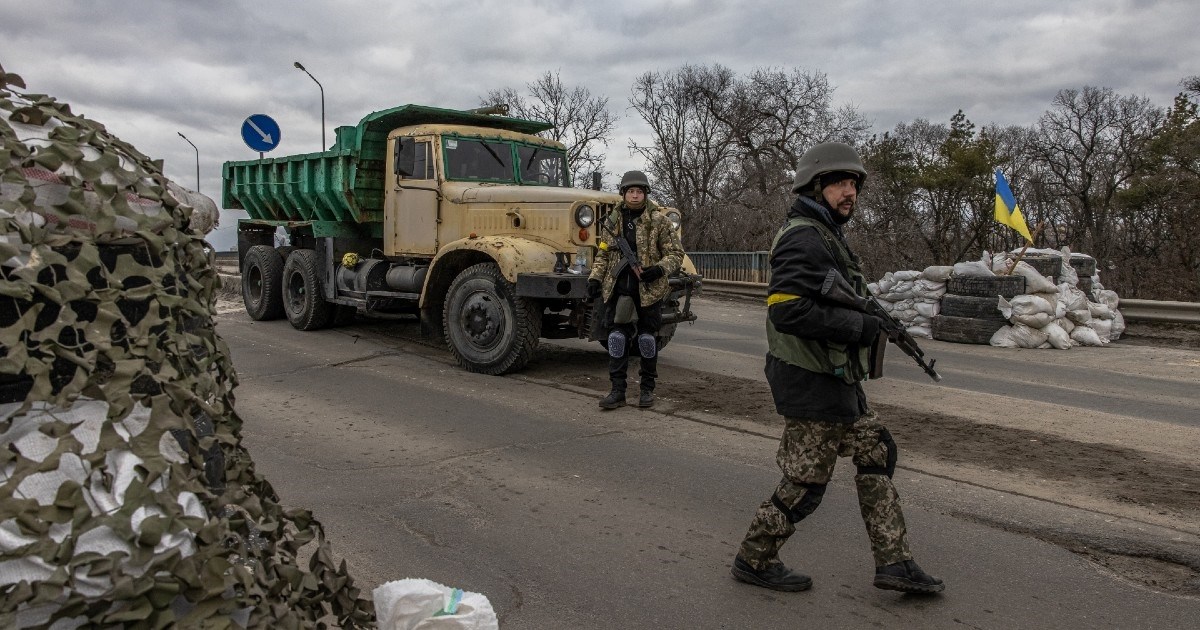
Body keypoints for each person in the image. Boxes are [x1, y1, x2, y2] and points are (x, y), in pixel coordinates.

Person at [730, 143, 945, 595]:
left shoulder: (826, 233)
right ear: (815, 185)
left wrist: (870, 321)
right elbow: (786, 311)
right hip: (809, 377)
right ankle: (754, 557)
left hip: (834, 375)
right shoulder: (803, 237)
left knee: (876, 450)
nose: (850, 193)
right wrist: (860, 327)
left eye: (854, 185)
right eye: (841, 184)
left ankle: (895, 562)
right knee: (805, 483)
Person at [587, 170, 684, 410]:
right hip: (620, 288)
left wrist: (659, 270)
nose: (634, 195)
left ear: (645, 193)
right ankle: (617, 390)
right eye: (630, 191)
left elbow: (676, 254)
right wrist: (595, 278)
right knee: (617, 338)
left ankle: (647, 390)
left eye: (639, 191)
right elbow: (604, 252)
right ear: (624, 193)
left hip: (649, 290)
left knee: (647, 339)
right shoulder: (613, 219)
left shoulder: (659, 221)